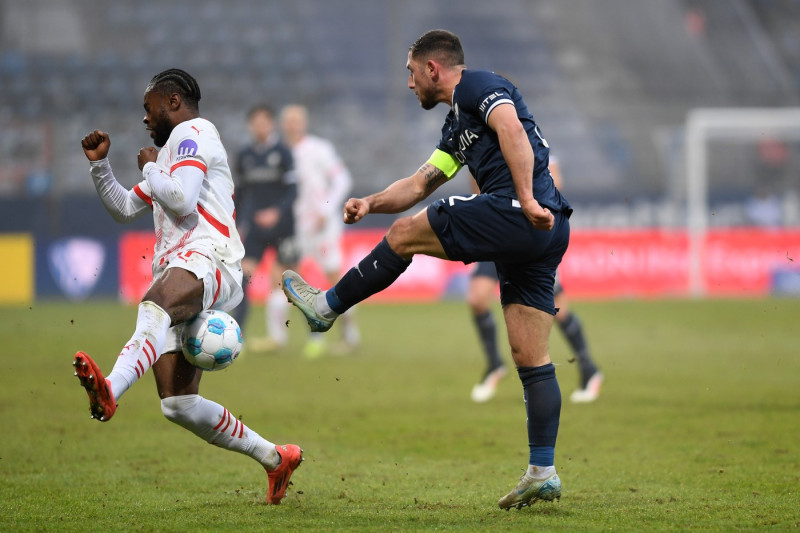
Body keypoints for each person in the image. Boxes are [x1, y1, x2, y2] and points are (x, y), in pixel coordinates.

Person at [281, 30, 571, 510]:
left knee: (403, 235)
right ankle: (543, 471)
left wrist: (524, 199)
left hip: (521, 211)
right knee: (530, 355)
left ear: (433, 68)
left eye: (412, 72)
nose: (409, 83)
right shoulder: (457, 127)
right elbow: (419, 184)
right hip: (546, 228)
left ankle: (326, 307)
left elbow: (513, 131)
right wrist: (370, 202)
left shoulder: (478, 85)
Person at [73, 69, 302, 505]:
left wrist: (149, 166)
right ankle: (275, 458)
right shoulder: (171, 156)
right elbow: (124, 208)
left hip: (210, 256)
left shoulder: (193, 134)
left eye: (149, 108)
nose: (145, 118)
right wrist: (100, 166)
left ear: (173, 101)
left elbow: (180, 198)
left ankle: (111, 389)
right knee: (177, 403)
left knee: (154, 304)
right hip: (185, 265)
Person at [469, 158, 603, 404]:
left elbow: (555, 181)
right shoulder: (484, 148)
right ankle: (494, 364)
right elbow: (477, 187)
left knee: (558, 310)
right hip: (496, 232)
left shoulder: (530, 144)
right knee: (477, 298)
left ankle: (589, 369)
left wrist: (522, 192)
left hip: (528, 235)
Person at [280, 104, 361, 358]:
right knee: (300, 284)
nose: (292, 125)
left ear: (304, 123)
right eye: (288, 120)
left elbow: (342, 179)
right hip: (295, 227)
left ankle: (349, 334)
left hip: (322, 226)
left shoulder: (318, 149)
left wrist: (326, 210)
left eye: (296, 120)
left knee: (336, 280)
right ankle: (315, 337)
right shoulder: (281, 153)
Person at [232, 104, 299, 352]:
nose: (260, 126)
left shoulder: (283, 152)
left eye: (264, 121)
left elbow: (293, 190)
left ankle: (313, 336)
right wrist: (237, 224)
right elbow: (240, 193)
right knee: (243, 278)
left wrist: (276, 212)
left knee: (290, 284)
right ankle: (236, 337)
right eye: (256, 122)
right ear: (251, 125)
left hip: (284, 228)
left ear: (271, 124)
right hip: (256, 229)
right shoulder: (244, 155)